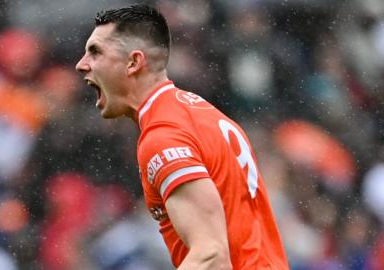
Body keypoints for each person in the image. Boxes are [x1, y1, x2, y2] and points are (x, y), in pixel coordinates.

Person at [75, 4, 289, 269]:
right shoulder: (203, 114)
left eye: (95, 52)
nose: (81, 65)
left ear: (133, 62)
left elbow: (212, 255)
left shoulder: (164, 136)